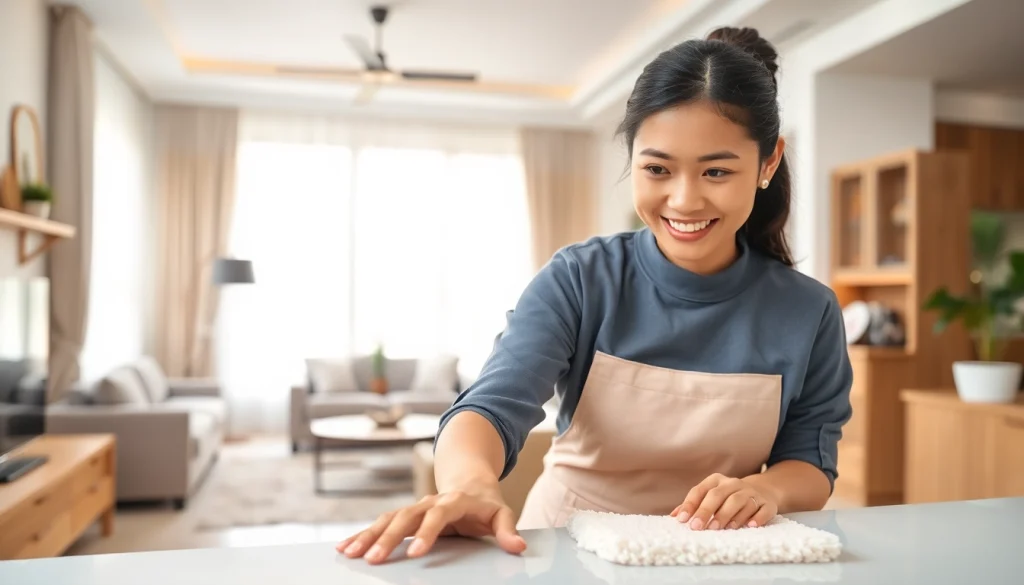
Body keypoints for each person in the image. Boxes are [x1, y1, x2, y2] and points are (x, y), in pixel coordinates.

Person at [337, 26, 853, 565]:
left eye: (717, 171)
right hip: (569, 552)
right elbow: (491, 406)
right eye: (657, 169)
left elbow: (810, 463)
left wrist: (768, 492)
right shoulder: (581, 279)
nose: (684, 199)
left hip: (719, 558)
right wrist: (466, 483)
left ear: (768, 163)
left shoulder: (808, 312)